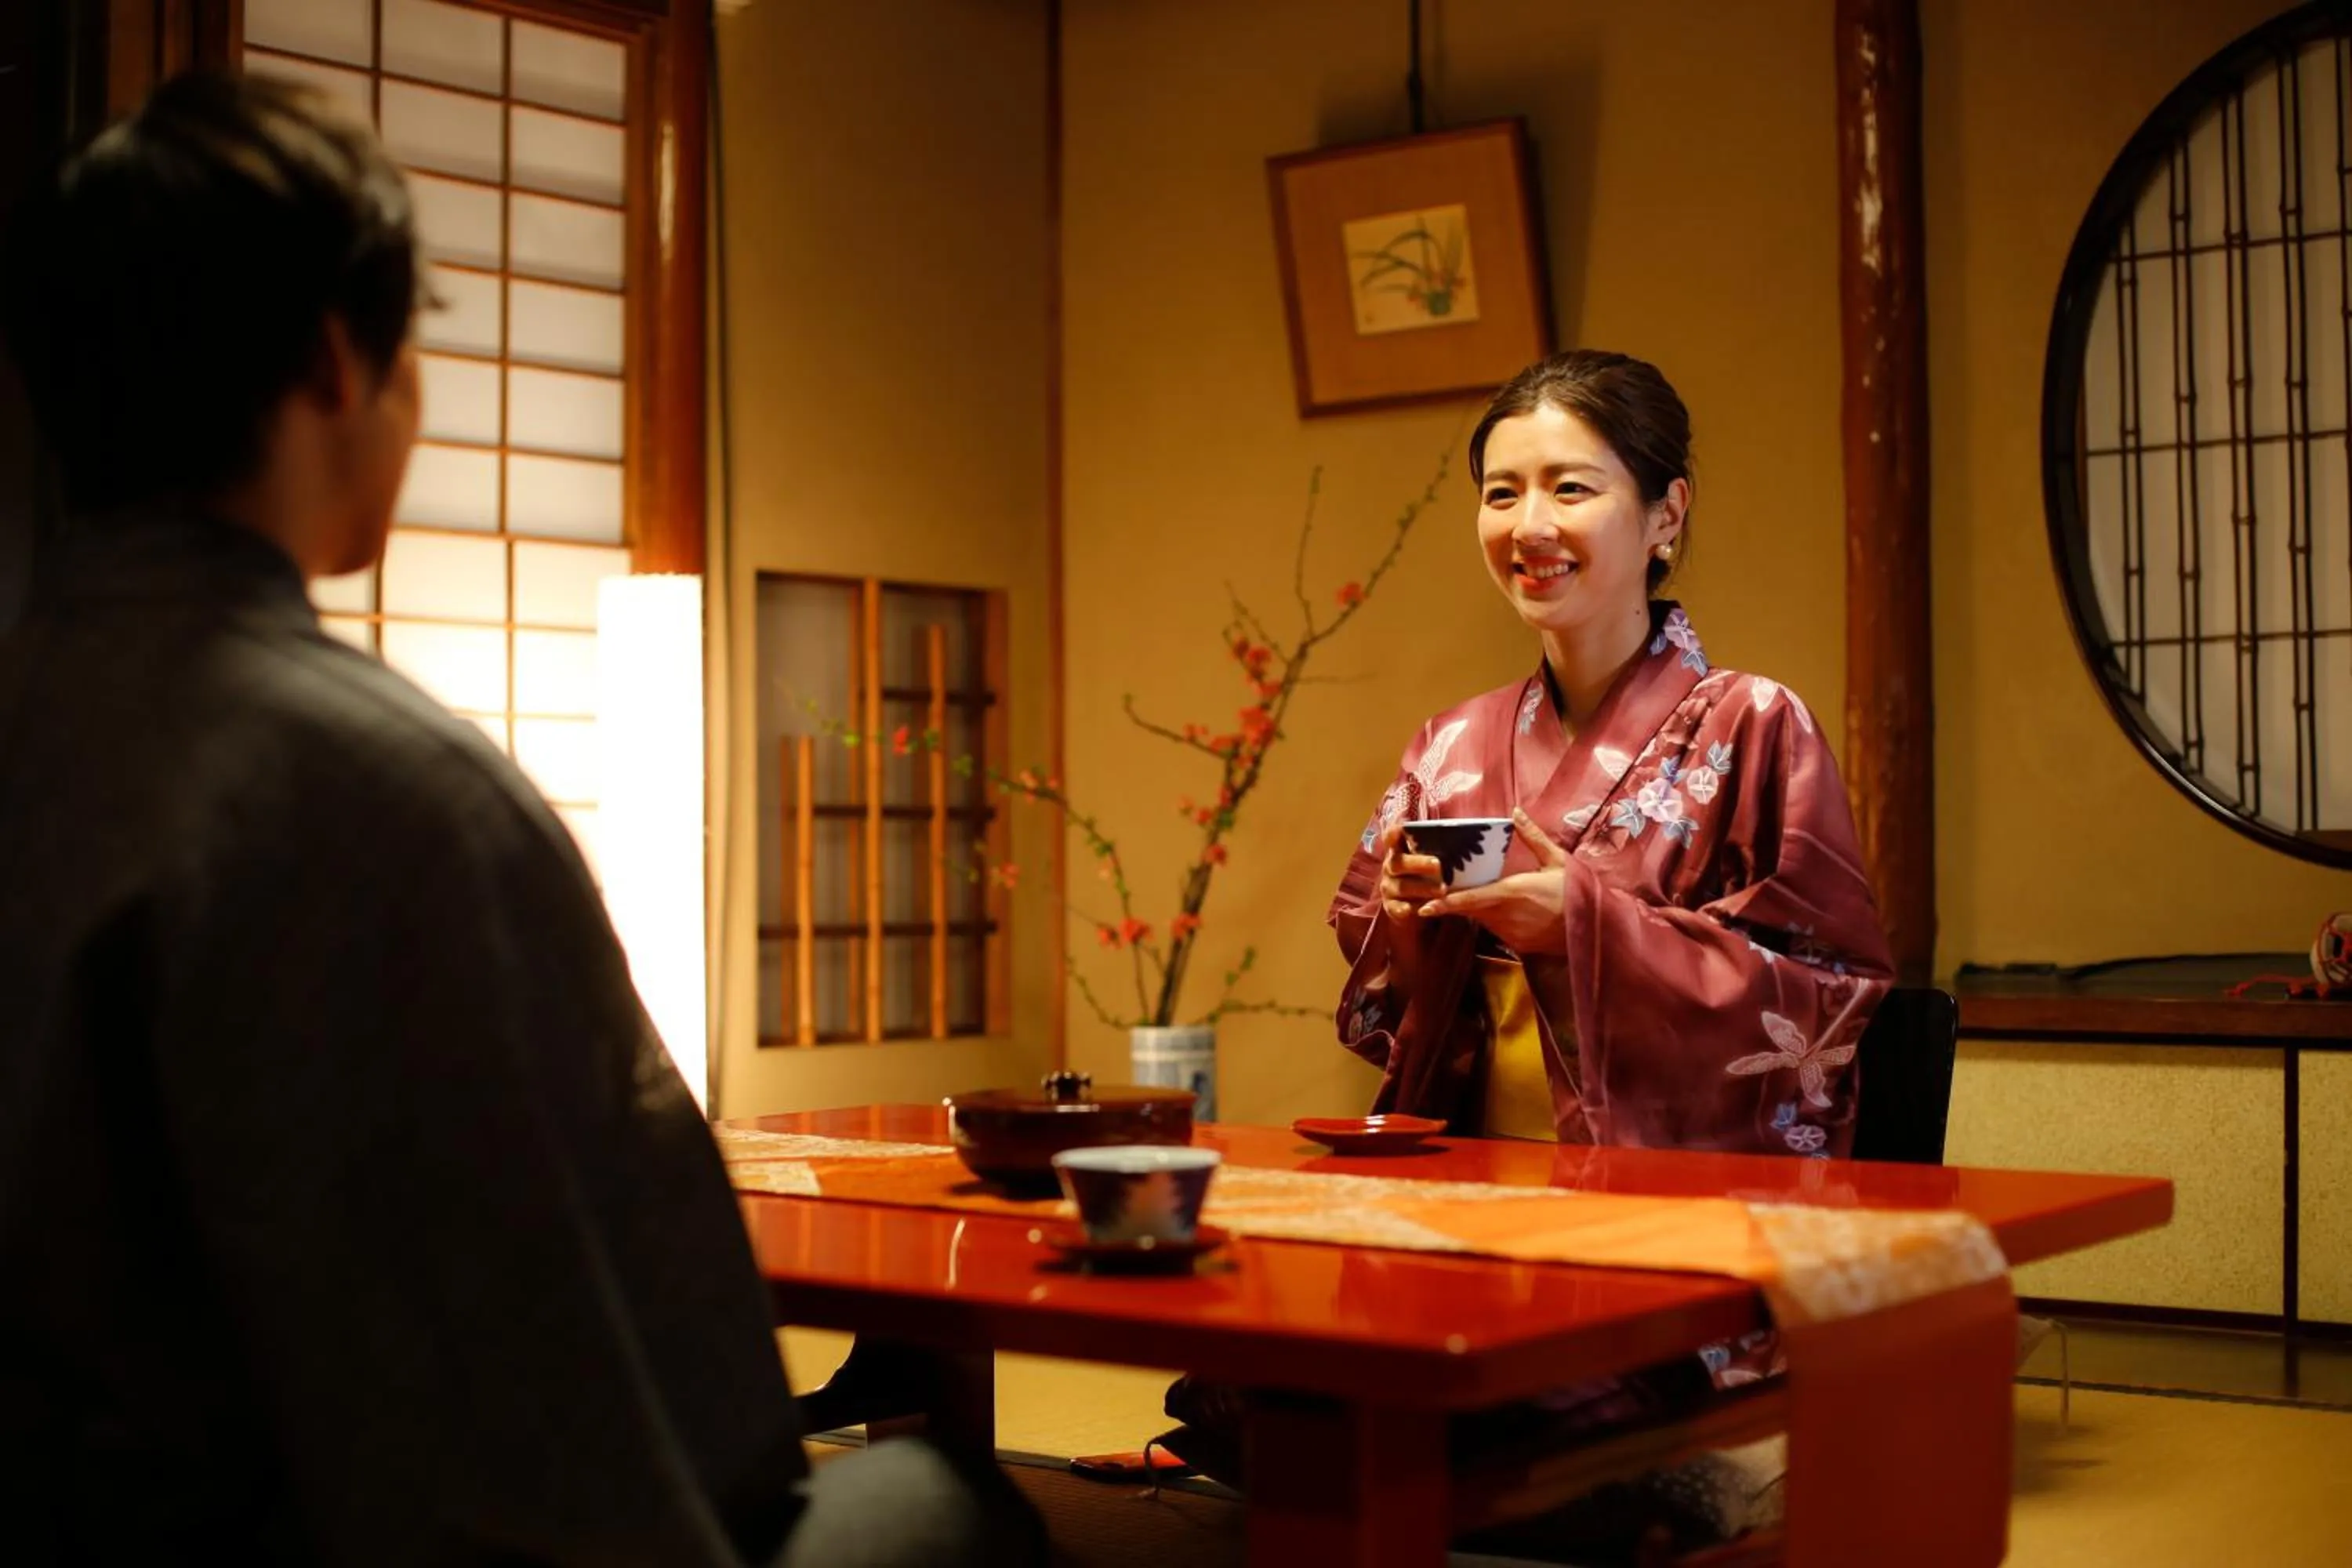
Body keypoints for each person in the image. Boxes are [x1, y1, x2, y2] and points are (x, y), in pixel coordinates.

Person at [0, 72, 1041, 1566]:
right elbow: (640, 1383)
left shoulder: (36, 712)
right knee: (949, 1504)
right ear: (332, 366)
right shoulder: (386, 788)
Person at [1125, 350, 1897, 1556]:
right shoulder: (1455, 742)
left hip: (1661, 1244)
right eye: (1500, 492)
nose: (1529, 525)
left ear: (1665, 514)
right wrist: (1408, 919)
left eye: (1571, 489)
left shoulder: (1755, 725)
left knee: (1445, 1420)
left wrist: (1582, 924)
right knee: (1231, 1385)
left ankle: (1609, 1470)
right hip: (1473, 1226)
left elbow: (1835, 998)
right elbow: (1377, 986)